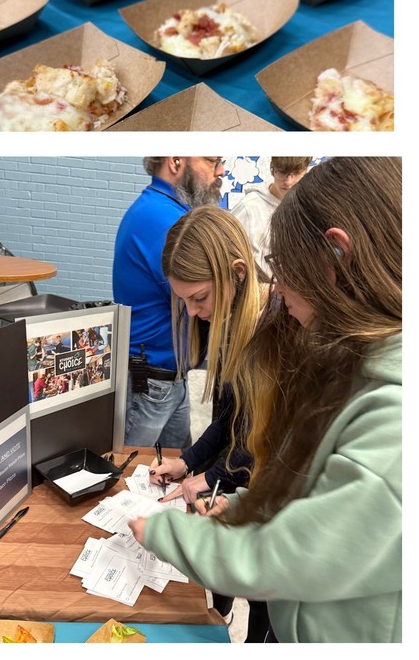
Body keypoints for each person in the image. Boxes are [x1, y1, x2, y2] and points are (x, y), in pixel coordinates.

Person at [130, 157, 402, 643]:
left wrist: (178, 522)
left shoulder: (377, 402)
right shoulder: (355, 364)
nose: (278, 285)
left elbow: (291, 543)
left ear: (335, 257)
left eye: (280, 266)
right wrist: (219, 484)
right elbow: (240, 424)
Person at [152, 206, 270, 641]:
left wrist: (209, 476)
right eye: (183, 299)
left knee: (261, 602)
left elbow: (259, 436)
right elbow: (228, 415)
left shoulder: (271, 331)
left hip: (263, 494)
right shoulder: (223, 325)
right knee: (215, 582)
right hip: (233, 483)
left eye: (199, 298)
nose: (192, 311)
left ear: (237, 274)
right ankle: (217, 613)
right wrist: (188, 462)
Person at [112, 157, 224, 449]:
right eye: (213, 161)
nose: (221, 171)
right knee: (129, 470)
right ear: (176, 161)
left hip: (172, 376)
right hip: (152, 381)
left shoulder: (161, 210)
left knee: (176, 466)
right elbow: (207, 300)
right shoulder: (164, 220)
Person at [230, 157, 311, 280]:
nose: (288, 182)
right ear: (272, 167)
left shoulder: (309, 206)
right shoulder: (248, 208)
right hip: (259, 294)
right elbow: (226, 254)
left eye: (295, 173)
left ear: (305, 170)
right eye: (282, 172)